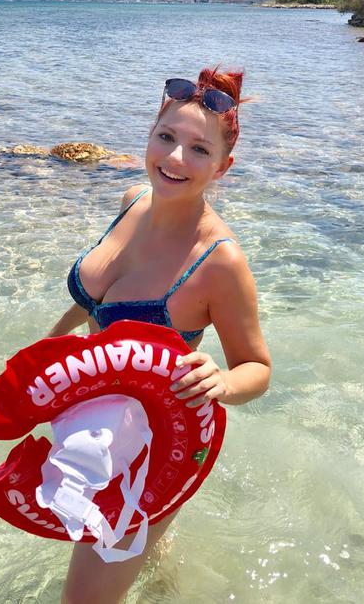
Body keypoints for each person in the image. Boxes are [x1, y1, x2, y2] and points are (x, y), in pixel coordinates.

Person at [48, 66, 272, 604]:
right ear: (149, 135)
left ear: (222, 167)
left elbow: (258, 368)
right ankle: (163, 578)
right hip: (90, 417)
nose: (175, 158)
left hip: (150, 450)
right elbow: (96, 300)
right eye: (166, 136)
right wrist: (46, 350)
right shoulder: (132, 200)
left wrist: (222, 381)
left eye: (199, 149)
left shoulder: (219, 261)